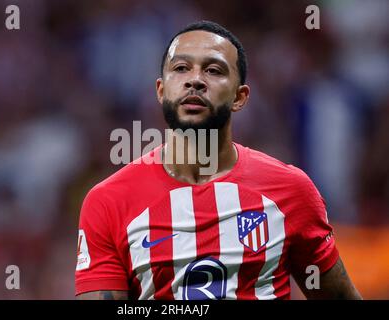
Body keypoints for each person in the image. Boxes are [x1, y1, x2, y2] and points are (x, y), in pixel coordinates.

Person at [75, 21, 362, 300]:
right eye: (181, 68)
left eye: (213, 70)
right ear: (161, 92)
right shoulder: (109, 202)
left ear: (240, 97)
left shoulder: (291, 191)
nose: (195, 80)